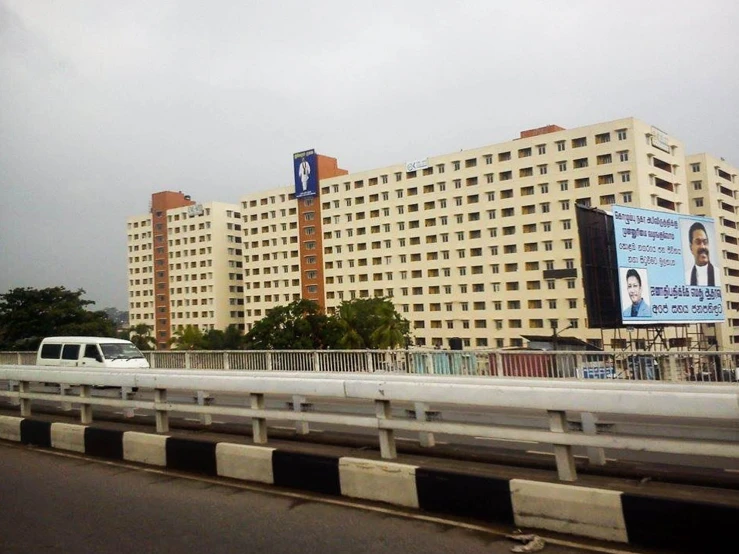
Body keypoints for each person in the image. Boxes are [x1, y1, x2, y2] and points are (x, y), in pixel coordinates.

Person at [685, 222, 718, 286]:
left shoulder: (719, 275)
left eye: (705, 242)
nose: (703, 246)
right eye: (698, 242)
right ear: (691, 248)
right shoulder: (686, 277)